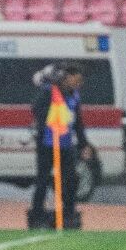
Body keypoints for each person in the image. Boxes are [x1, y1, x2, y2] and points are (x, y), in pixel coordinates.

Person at [28, 62, 92, 230]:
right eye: (76, 80)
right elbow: (36, 109)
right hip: (47, 143)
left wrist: (83, 144)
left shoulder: (74, 96)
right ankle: (37, 214)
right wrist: (49, 120)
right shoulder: (50, 92)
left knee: (70, 179)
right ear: (67, 77)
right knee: (43, 180)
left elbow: (78, 122)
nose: (78, 84)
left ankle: (68, 213)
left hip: (66, 143)